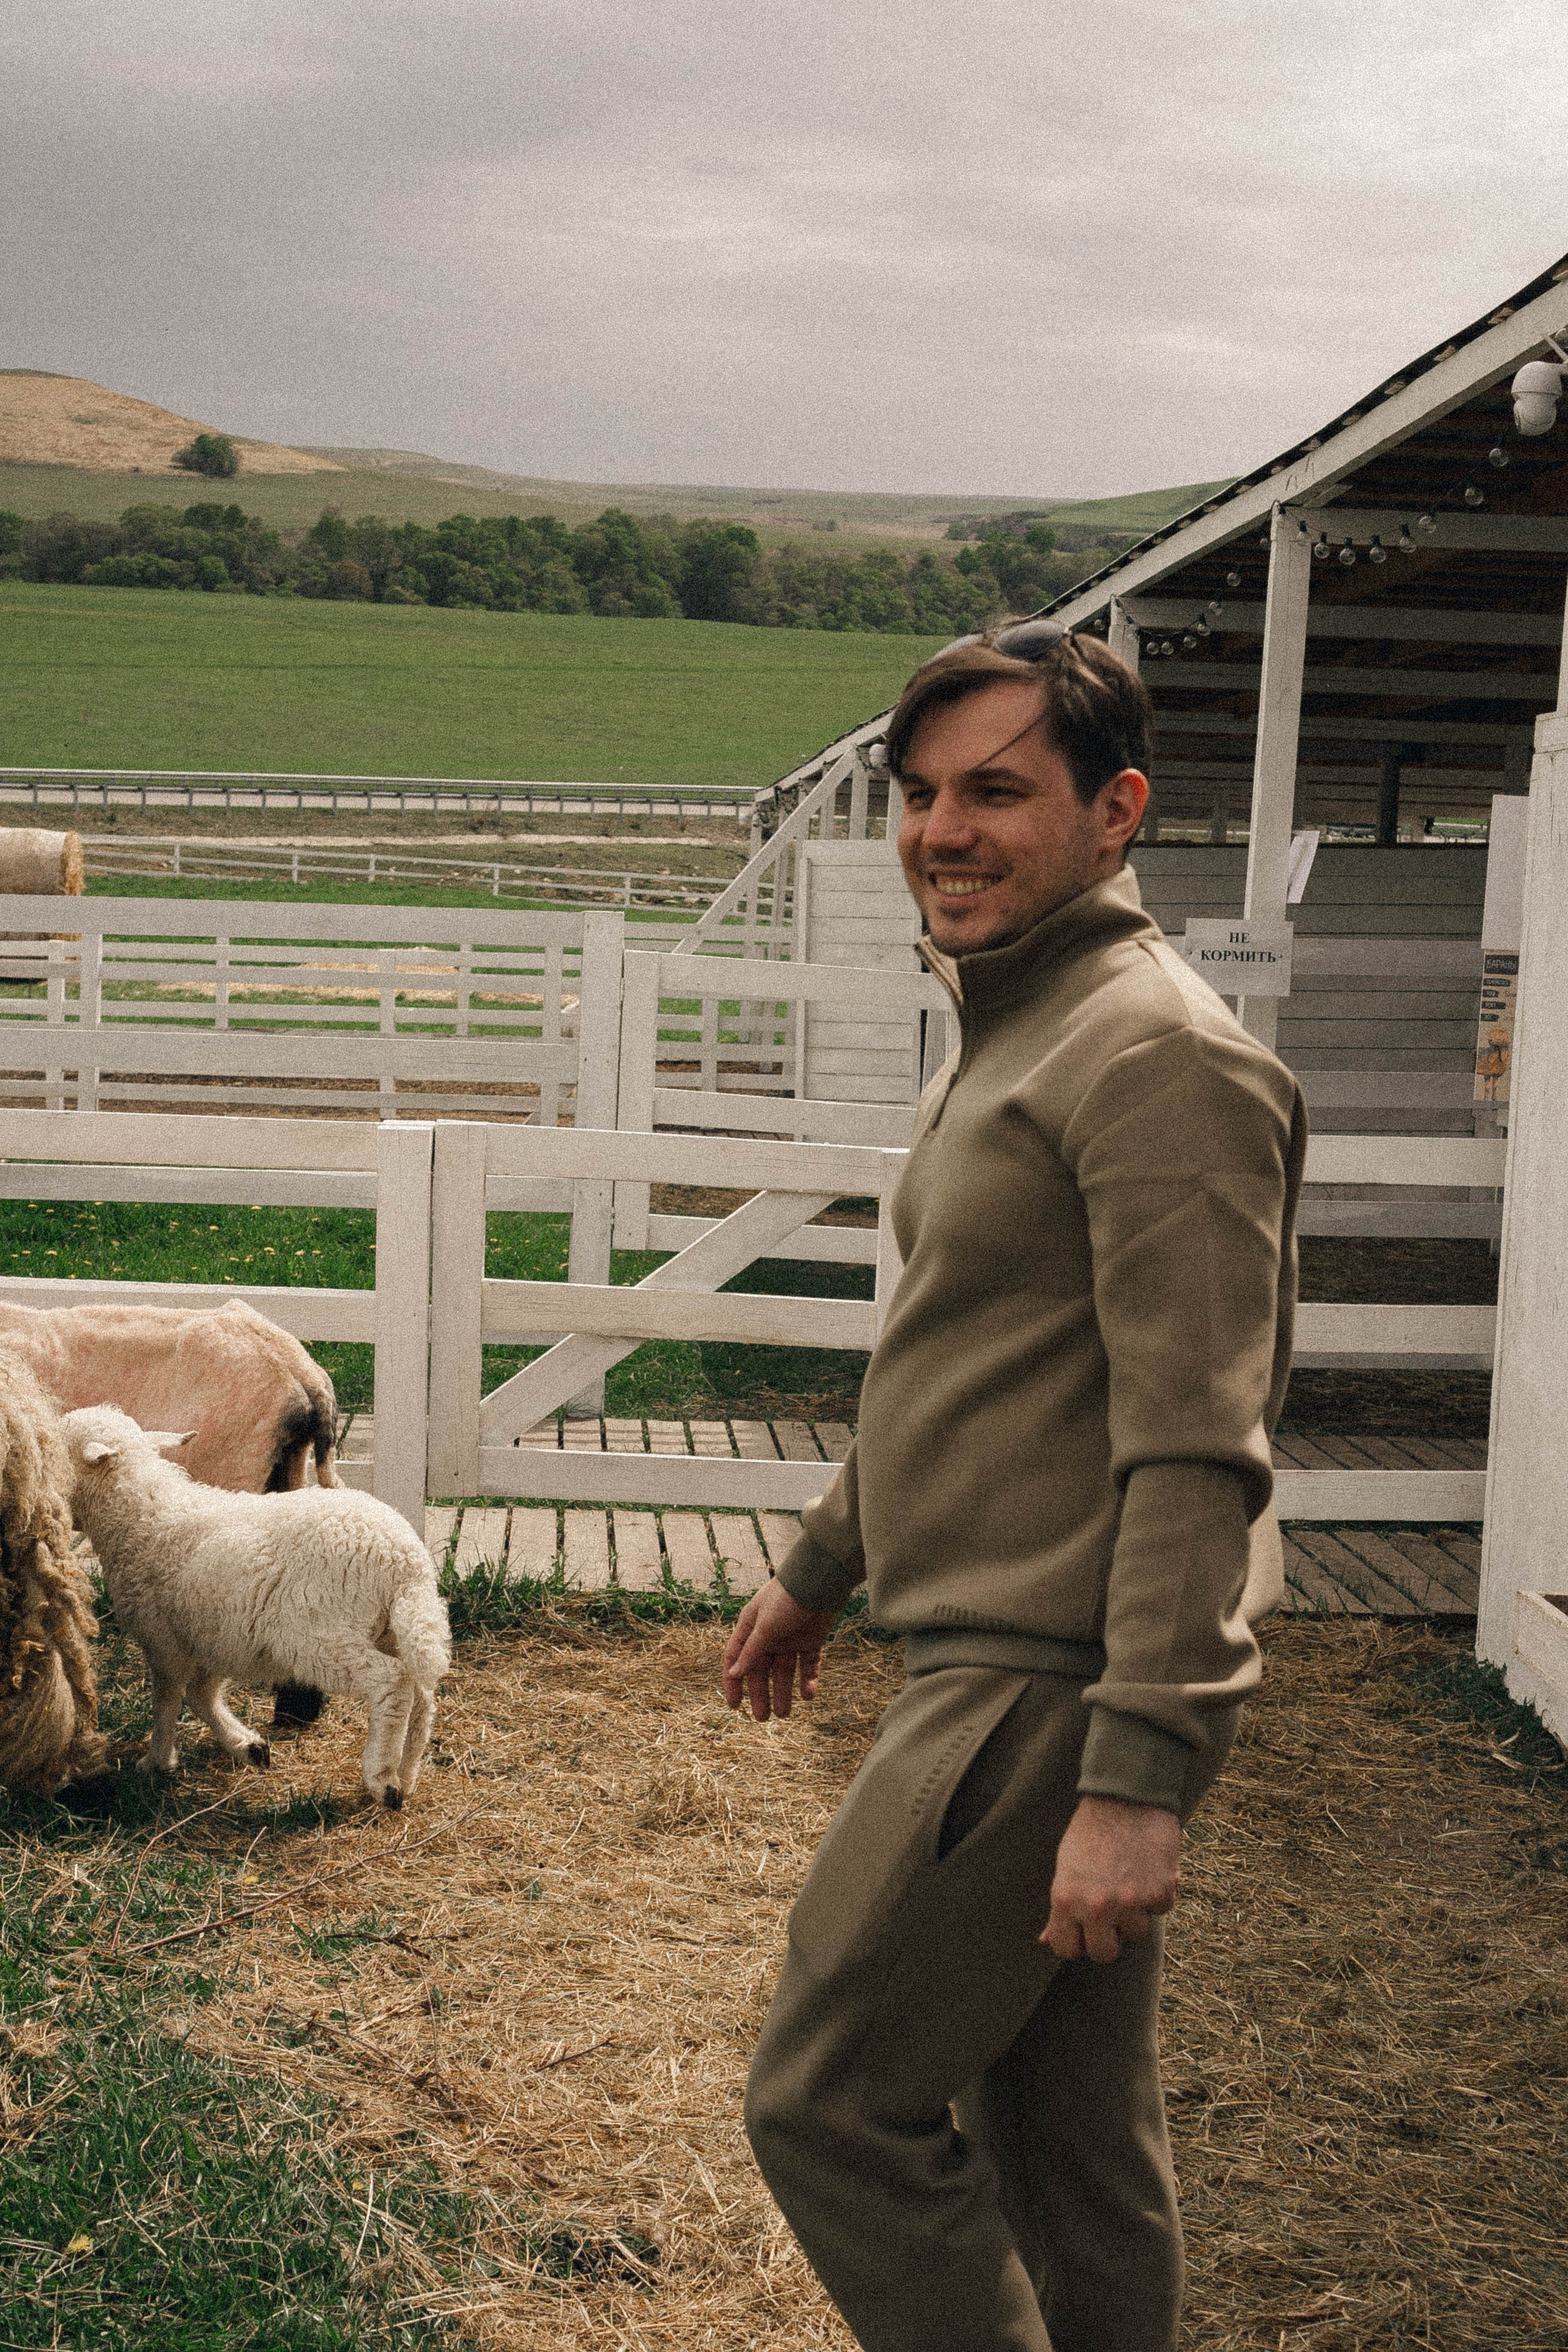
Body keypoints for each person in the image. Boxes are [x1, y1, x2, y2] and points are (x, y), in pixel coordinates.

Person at [722, 619, 1306, 2352]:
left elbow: (1203, 1441)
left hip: (1047, 1686)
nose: (941, 832)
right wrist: (823, 1559)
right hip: (1000, 1653)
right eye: (918, 795)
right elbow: (974, 1354)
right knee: (1060, 2149)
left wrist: (1139, 1779)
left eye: (997, 792)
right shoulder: (1025, 1027)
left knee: (827, 2104)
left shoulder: (1157, 1061)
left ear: (1117, 810)